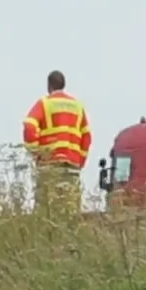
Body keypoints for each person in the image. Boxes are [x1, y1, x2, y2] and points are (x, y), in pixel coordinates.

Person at [23, 70, 91, 212]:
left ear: (49, 86)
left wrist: (36, 153)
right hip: (72, 165)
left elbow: (29, 125)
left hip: (50, 164)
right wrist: (80, 160)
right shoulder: (78, 106)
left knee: (46, 207)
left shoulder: (45, 103)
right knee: (70, 207)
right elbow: (87, 136)